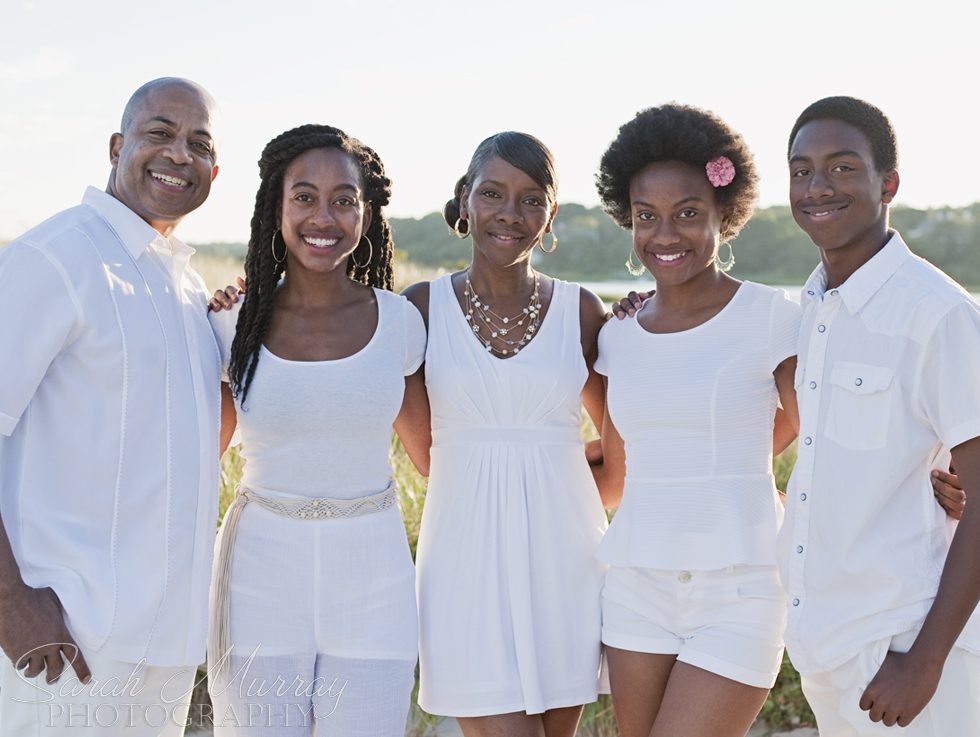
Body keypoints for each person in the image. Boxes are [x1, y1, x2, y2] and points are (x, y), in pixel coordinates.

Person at [0, 78, 221, 736]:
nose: (180, 153)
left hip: (167, 654)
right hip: (63, 642)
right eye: (160, 133)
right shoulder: (55, 257)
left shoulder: (184, 283)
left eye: (199, 143)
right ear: (117, 145)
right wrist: (9, 602)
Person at [205, 124, 431, 737]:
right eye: (304, 196)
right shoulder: (230, 323)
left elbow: (437, 458)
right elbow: (197, 455)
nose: (323, 216)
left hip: (374, 577)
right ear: (275, 208)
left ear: (366, 211)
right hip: (260, 577)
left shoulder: (400, 323)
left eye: (343, 198)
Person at [592, 104, 800, 737]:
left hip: (740, 591)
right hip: (635, 584)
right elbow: (618, 465)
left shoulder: (773, 318)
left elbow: (829, 434)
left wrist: (938, 472)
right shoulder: (616, 336)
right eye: (646, 216)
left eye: (687, 213)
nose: (665, 234)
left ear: (723, 215)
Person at [779, 96, 980, 736]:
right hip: (828, 650)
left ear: (887, 182)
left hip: (908, 646)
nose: (817, 187)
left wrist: (924, 661)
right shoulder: (812, 306)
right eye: (802, 169)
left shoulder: (936, 313)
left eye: (841, 168)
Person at [405, 132, 610, 737]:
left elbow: (625, 452)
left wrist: (558, 474)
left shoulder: (583, 311)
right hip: (464, 560)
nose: (509, 214)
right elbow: (428, 459)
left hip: (566, 559)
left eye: (530, 199)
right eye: (493, 193)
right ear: (465, 200)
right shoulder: (418, 308)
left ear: (550, 215)